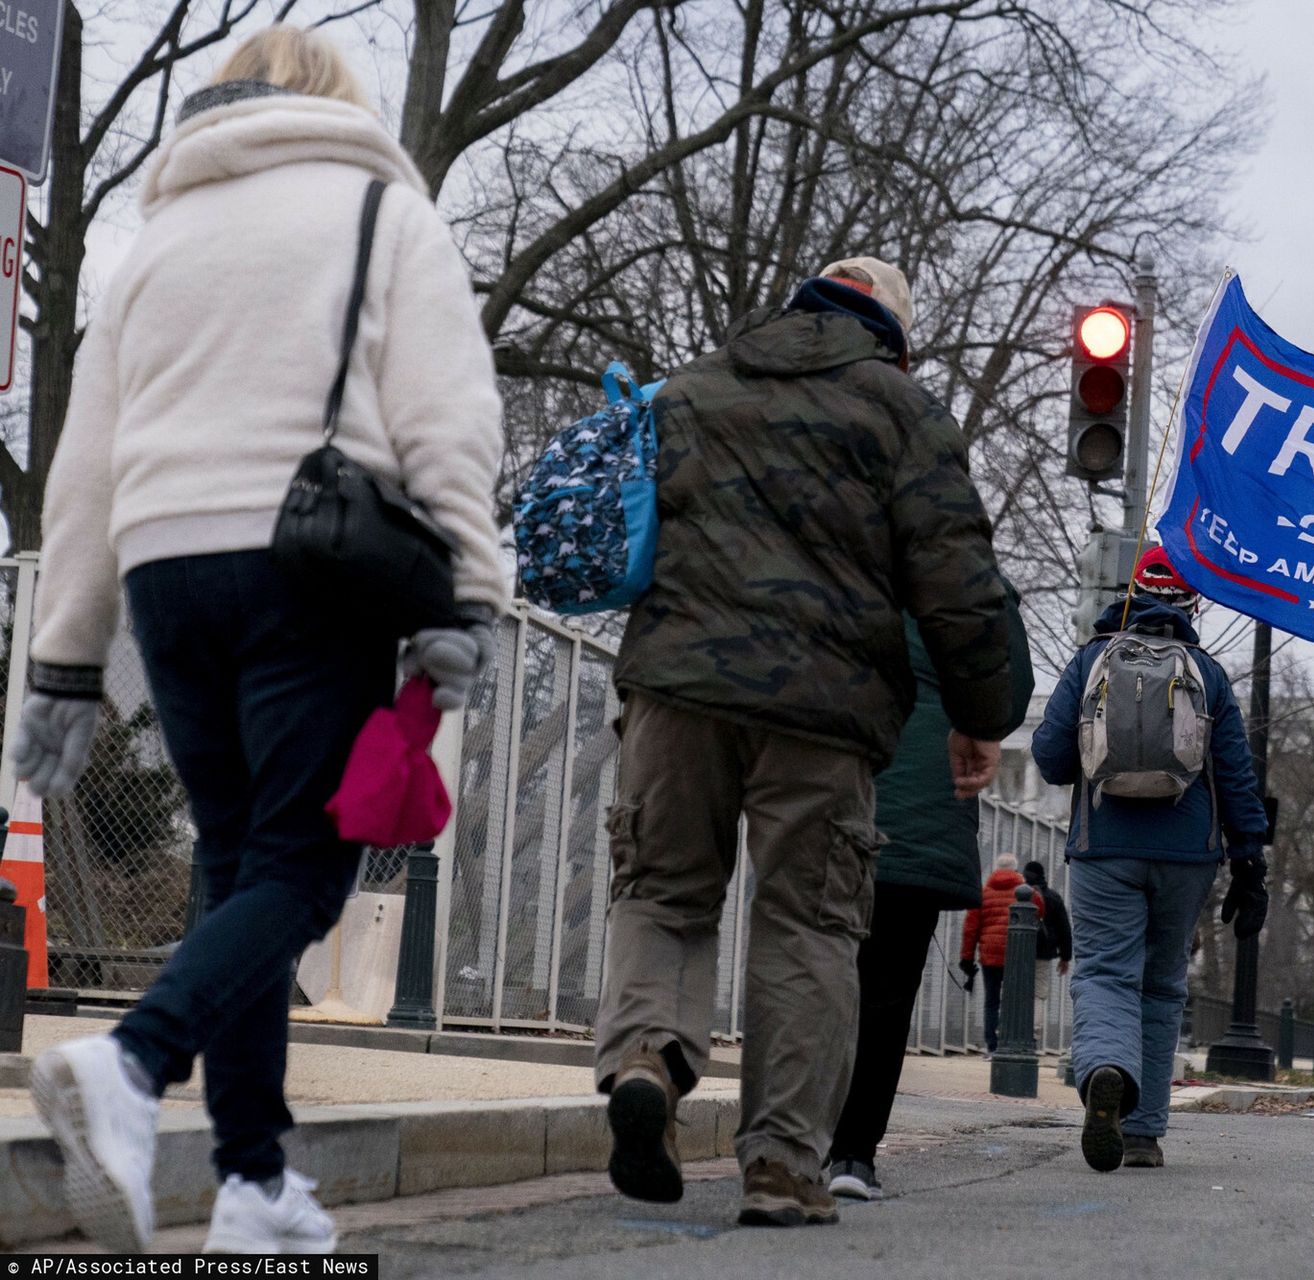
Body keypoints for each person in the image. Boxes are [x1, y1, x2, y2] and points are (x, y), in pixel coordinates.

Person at [18, 26, 506, 1255]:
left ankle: (252, 1178)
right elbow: (450, 417)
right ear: (336, 103)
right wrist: (470, 595)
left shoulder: (156, 240)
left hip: (163, 567)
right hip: (314, 562)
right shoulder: (380, 211)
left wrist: (66, 660)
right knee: (304, 866)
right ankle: (130, 1063)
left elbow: (81, 458)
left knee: (236, 860)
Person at [594, 256, 1015, 1228]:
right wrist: (981, 713)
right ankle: (783, 1161)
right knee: (808, 922)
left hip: (673, 689)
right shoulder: (904, 414)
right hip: (823, 713)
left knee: (662, 887)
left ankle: (646, 1060)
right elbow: (960, 587)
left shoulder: (694, 385)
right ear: (894, 339)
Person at [1031, 548, 1268, 1172]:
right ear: (1193, 603)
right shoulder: (1209, 673)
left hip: (1105, 846)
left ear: (1130, 593)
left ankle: (1107, 1068)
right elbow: (1237, 778)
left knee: (1106, 973)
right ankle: (1142, 1133)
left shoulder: (1092, 660)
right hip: (1188, 854)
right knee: (1162, 987)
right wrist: (1249, 864)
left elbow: (1053, 759)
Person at [825, 593, 1034, 1202]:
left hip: (835, 796)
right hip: (924, 811)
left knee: (810, 975)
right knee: (887, 995)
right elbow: (1010, 689)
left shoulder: (846, 552)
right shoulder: (968, 581)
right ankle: (853, 1154)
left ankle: (789, 1138)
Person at [959, 853, 1047, 1056]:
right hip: (1016, 955)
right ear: (1016, 870)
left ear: (997, 869)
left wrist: (967, 957)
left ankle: (992, 1044)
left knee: (991, 1000)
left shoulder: (984, 892)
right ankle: (1010, 1040)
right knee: (1014, 999)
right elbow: (1040, 912)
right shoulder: (1027, 892)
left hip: (989, 956)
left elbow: (970, 928)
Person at [1024, 859, 1073, 1038]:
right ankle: (1034, 1033)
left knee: (1016, 988)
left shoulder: (1019, 895)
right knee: (1039, 992)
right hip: (1043, 952)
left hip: (1017, 952)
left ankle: (1013, 1029)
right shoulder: (1053, 897)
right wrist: (1065, 957)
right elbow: (1065, 929)